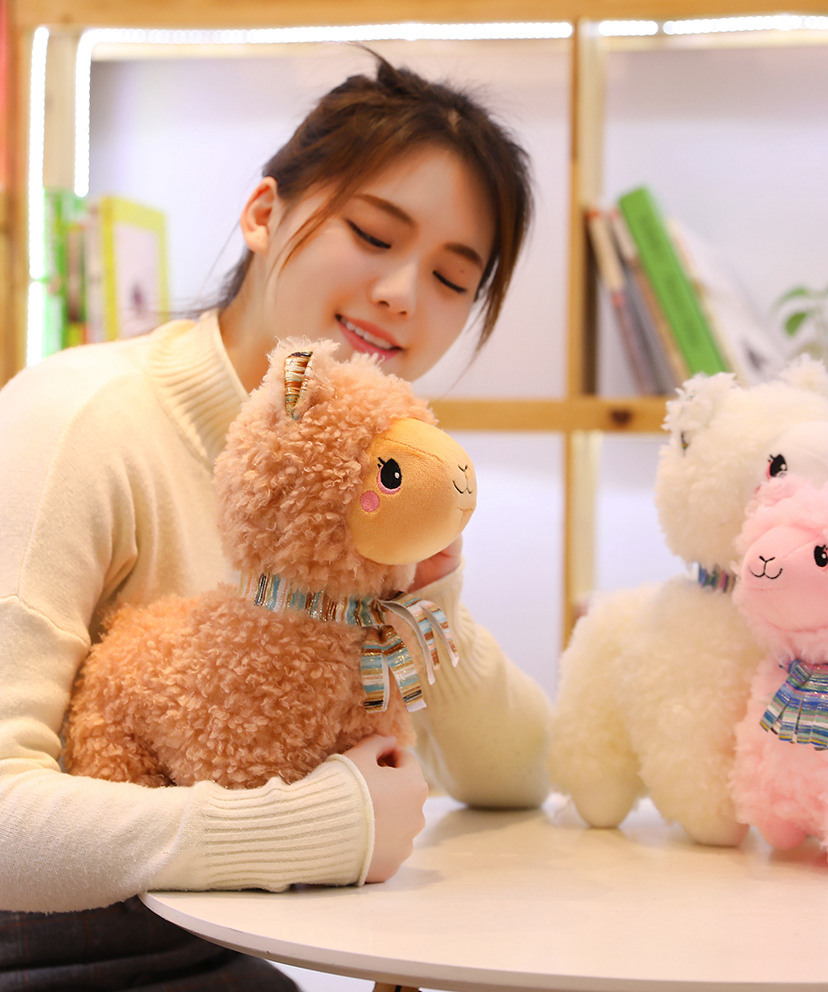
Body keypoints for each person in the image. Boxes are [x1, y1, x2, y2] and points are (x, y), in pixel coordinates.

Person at [0, 51, 551, 989]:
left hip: (209, 956)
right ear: (263, 215)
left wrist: (428, 603)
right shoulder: (79, 420)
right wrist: (317, 826)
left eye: (453, 279)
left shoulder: (361, 483)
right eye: (373, 234)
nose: (403, 293)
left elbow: (517, 773)